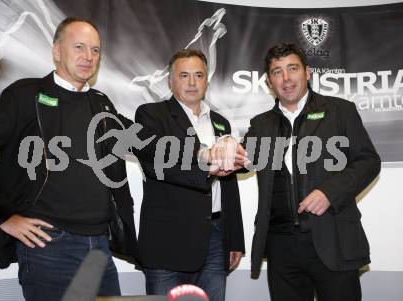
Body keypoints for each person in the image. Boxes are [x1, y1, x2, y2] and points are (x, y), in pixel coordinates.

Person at [0, 17, 139, 300]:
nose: (88, 56)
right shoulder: (26, 95)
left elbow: (142, 140)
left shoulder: (101, 103)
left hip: (99, 248)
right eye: (79, 47)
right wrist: (2, 217)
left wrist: (200, 153)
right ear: (57, 51)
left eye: (95, 50)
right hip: (50, 248)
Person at [242, 43, 381, 301]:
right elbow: (242, 158)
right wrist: (225, 147)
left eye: (292, 68)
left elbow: (368, 161)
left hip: (333, 239)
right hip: (281, 245)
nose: (286, 78)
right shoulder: (261, 124)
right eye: (277, 72)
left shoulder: (340, 110)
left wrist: (329, 192)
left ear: (307, 72)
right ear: (269, 81)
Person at [135, 49, 245, 301]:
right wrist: (204, 156)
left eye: (199, 75)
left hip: (216, 238)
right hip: (167, 241)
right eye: (184, 75)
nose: (192, 82)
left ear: (207, 80)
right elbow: (158, 159)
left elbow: (228, 184)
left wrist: (234, 238)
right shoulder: (151, 115)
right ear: (170, 81)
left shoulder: (220, 123)